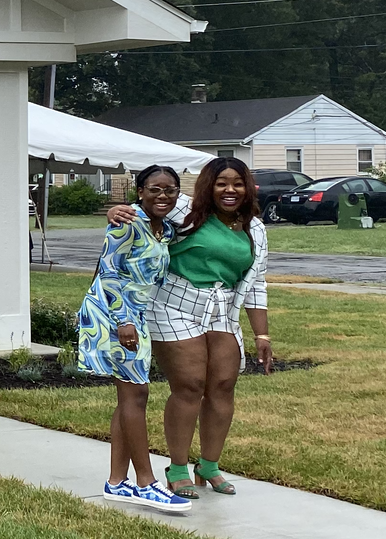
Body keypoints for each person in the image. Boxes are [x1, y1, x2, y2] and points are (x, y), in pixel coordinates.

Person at [110, 156, 273, 499]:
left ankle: (208, 466)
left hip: (223, 310)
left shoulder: (255, 228)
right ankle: (178, 468)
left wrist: (262, 334)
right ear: (208, 187)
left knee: (223, 386)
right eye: (221, 183)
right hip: (174, 305)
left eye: (237, 183)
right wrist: (117, 210)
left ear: (248, 188)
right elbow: (149, 205)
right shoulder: (185, 210)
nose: (230, 190)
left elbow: (257, 283)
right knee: (189, 385)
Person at [77, 165, 189, 514]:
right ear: (140, 191)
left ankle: (116, 482)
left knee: (129, 395)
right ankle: (145, 483)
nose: (163, 196)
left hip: (135, 314)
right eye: (155, 189)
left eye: (170, 190)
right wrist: (123, 320)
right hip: (114, 314)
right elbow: (108, 271)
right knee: (136, 394)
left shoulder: (164, 228)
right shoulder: (127, 223)